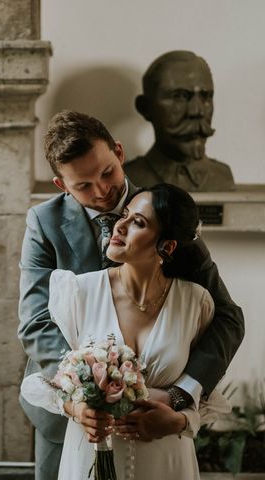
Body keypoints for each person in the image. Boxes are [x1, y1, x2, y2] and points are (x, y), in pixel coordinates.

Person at [17, 110, 244, 480]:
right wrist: (84, 394)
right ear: (62, 185)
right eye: (83, 186)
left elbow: (227, 317)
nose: (102, 191)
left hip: (156, 420)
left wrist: (179, 396)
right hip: (70, 422)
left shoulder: (165, 212)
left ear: (118, 152)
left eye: (106, 173)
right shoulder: (43, 223)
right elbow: (35, 323)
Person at [124, 50, 236, 192]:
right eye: (179, 96)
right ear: (145, 108)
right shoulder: (129, 179)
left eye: (205, 96)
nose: (197, 111)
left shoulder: (222, 176)